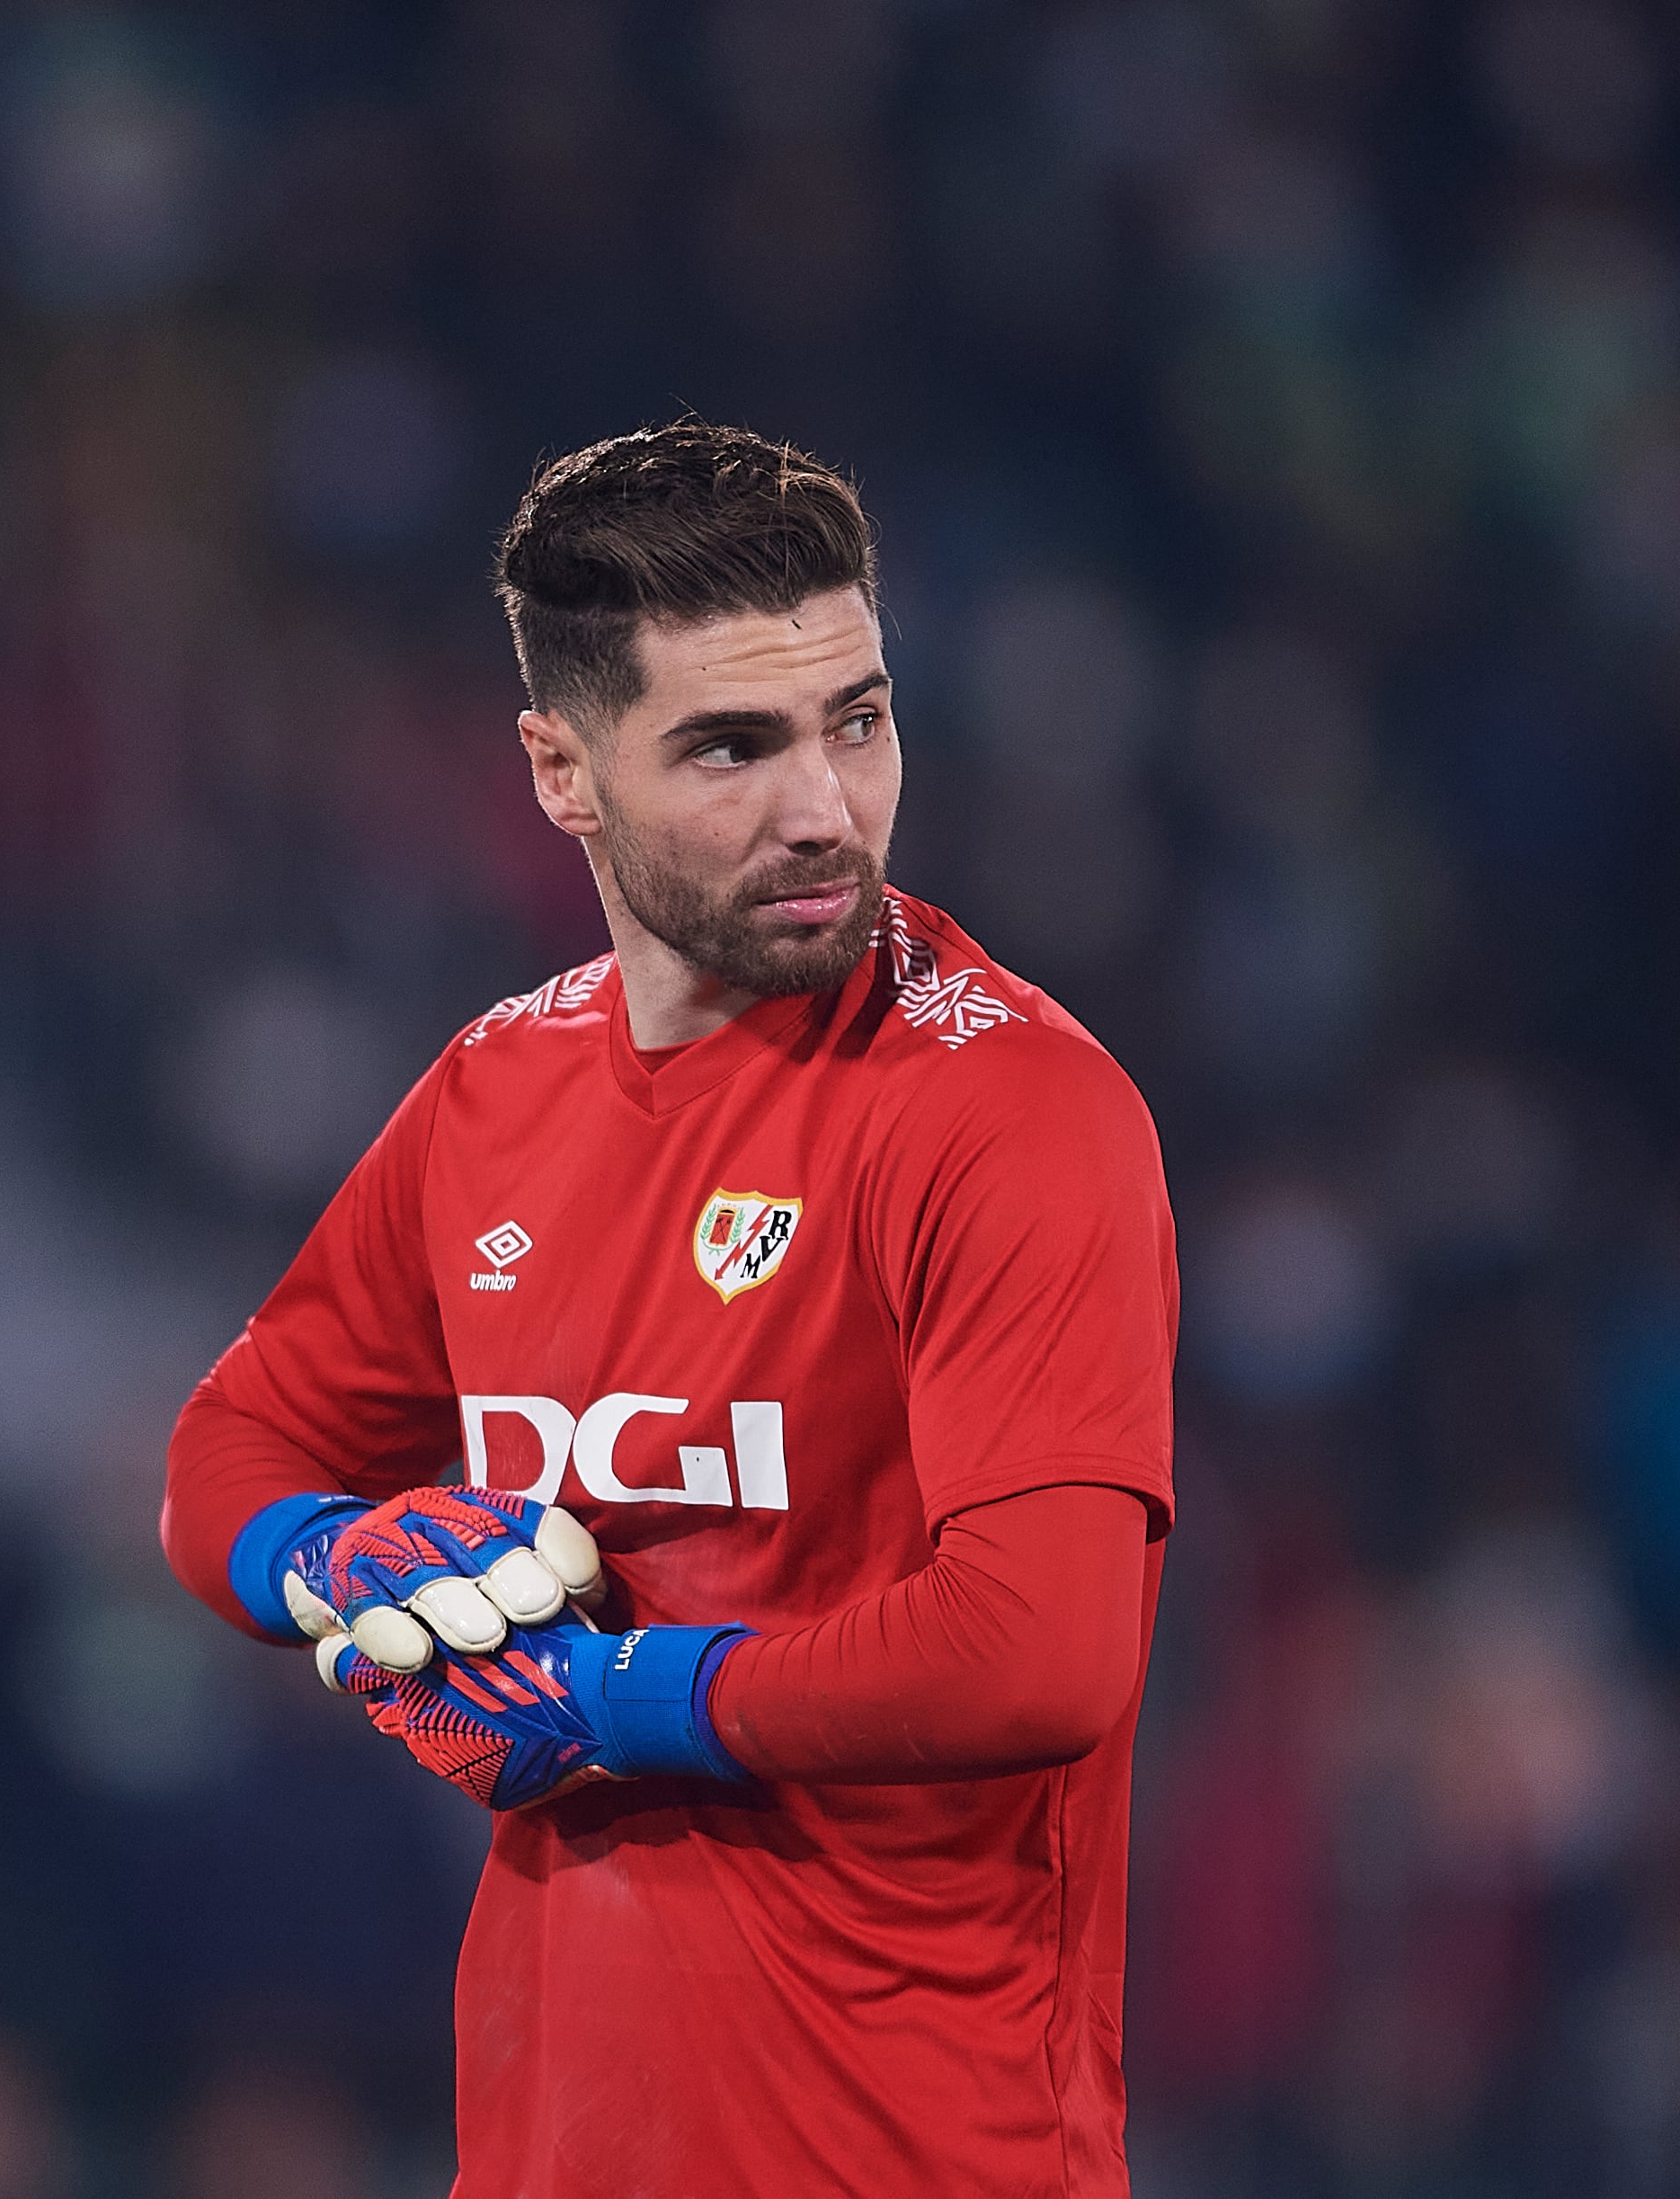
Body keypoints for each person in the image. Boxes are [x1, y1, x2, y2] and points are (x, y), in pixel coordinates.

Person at [157, 422, 1178, 2196]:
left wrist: (620, 1695)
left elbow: (1042, 1644)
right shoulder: (494, 1089)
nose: (823, 806)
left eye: (856, 718)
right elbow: (230, 1449)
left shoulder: (1010, 1108)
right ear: (561, 768)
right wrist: (339, 1562)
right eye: (731, 744)